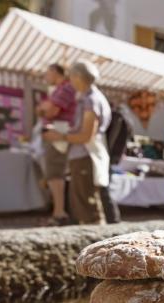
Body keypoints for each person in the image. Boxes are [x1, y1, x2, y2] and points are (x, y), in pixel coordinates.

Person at [43, 60, 111, 225]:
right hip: (84, 154)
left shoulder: (91, 100)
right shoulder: (89, 98)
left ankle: (97, 246)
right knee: (84, 204)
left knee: (87, 206)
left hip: (86, 154)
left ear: (78, 77)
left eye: (72, 77)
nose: (70, 82)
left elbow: (86, 135)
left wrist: (60, 136)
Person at [37, 63, 77, 226]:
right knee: (55, 173)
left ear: (55, 72)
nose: (46, 76)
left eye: (47, 72)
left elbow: (50, 111)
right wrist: (44, 109)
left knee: (55, 173)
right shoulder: (59, 89)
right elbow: (42, 109)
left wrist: (44, 109)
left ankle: (59, 212)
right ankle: (59, 211)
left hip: (58, 134)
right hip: (57, 134)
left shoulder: (65, 88)